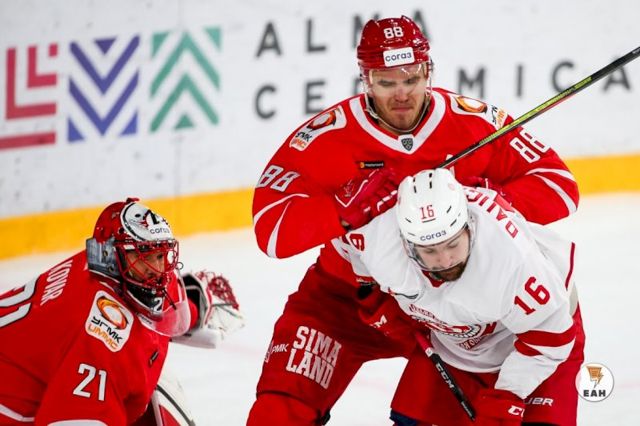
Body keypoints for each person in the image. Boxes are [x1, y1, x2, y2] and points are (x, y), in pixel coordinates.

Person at [248, 15, 579, 424]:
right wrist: (341, 211)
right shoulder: (325, 138)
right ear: (366, 80)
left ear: (428, 71)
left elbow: (560, 186)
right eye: (386, 82)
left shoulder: (474, 123)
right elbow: (270, 230)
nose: (401, 93)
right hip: (347, 299)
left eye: (412, 79)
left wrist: (483, 200)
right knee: (279, 410)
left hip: (455, 310)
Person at [333, 168, 584, 425]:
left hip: (537, 348)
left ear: (469, 226)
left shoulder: (509, 260)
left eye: (452, 244)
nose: (444, 261)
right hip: (454, 346)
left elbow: (551, 338)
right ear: (406, 243)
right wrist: (373, 293)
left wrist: (505, 398)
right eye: (429, 251)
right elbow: (348, 244)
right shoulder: (380, 239)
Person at [0, 198, 244, 425]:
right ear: (109, 255)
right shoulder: (100, 338)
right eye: (144, 255)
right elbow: (73, 419)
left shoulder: (108, 266)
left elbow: (161, 293)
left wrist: (194, 307)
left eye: (160, 254)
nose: (157, 269)